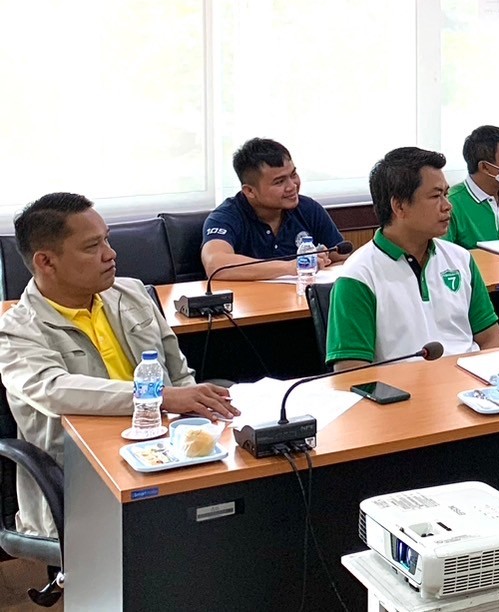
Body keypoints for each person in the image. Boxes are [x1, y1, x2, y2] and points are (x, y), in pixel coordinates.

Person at [0, 193, 237, 536]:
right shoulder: (16, 330)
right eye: (92, 246)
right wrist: (160, 398)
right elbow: (54, 390)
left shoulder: (132, 294)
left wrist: (200, 424)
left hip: (166, 453)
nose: (110, 254)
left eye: (107, 239)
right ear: (46, 261)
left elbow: (180, 376)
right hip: (84, 481)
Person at [327, 147, 499, 368]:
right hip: (401, 389)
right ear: (399, 206)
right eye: (436, 196)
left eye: (446, 194)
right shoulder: (358, 276)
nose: (447, 206)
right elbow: (351, 371)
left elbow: (491, 339)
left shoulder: (460, 259)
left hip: (470, 383)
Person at [202, 138, 346, 281]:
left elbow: (343, 258)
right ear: (250, 191)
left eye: (293, 175)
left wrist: (323, 264)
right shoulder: (226, 217)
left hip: (301, 294)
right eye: (279, 182)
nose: (292, 186)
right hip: (249, 296)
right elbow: (216, 265)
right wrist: (290, 267)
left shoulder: (309, 208)